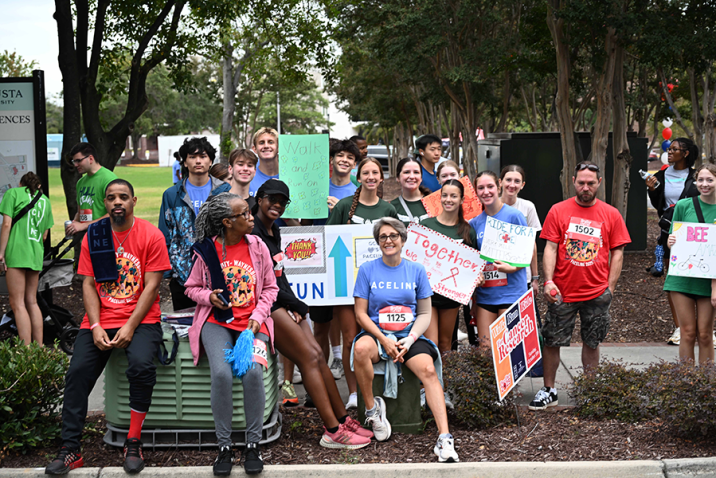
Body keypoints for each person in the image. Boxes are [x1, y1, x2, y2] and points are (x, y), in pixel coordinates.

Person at [45, 179, 171, 475]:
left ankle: (133, 440)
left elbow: (152, 288)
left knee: (141, 366)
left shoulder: (151, 235)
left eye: (123, 197)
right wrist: (97, 325)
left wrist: (129, 326)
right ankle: (70, 449)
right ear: (105, 203)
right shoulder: (95, 235)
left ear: (133, 201)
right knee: (76, 373)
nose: (117, 202)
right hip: (100, 320)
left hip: (141, 320)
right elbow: (88, 284)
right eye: (111, 197)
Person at [251, 180, 372, 446]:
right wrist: (293, 304)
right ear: (259, 199)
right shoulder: (253, 234)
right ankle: (332, 430)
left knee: (318, 354)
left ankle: (342, 419)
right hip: (265, 306)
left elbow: (281, 277)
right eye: (272, 199)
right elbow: (261, 283)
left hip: (282, 302)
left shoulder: (274, 231)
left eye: (283, 202)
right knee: (308, 357)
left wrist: (295, 304)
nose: (278, 205)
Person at [184, 192, 278, 476]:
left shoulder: (258, 246)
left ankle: (252, 443)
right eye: (245, 214)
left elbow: (271, 289)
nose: (251, 218)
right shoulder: (208, 250)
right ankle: (224, 446)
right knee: (222, 375)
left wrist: (258, 318)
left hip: (252, 326)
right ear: (227, 222)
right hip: (218, 322)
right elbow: (191, 287)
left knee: (251, 374)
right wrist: (208, 296)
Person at [352, 217, 459, 462]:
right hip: (377, 334)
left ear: (402, 239)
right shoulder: (367, 269)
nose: (388, 240)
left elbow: (424, 313)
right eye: (383, 237)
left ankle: (444, 438)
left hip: (408, 335)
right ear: (378, 242)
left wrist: (410, 340)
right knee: (360, 349)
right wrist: (384, 340)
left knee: (428, 370)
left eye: (393, 236)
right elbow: (360, 313)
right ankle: (373, 411)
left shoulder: (416, 270)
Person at [529, 161, 631, 411]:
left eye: (591, 183)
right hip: (562, 292)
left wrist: (610, 288)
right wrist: (549, 281)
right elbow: (550, 247)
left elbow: (618, 252)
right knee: (552, 340)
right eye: (581, 182)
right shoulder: (558, 210)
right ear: (573, 181)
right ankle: (549, 389)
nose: (585, 187)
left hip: (597, 292)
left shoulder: (611, 214)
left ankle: (590, 390)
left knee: (592, 341)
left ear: (599, 183)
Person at [324, 157, 398, 409]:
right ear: (359, 176)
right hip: (347, 285)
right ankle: (353, 392)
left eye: (375, 172)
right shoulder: (345, 206)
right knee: (349, 340)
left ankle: (379, 388)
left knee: (378, 337)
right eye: (365, 172)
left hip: (379, 286)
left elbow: (396, 246)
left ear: (380, 177)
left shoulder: (387, 209)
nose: (370, 177)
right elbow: (329, 241)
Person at [421, 179, 479, 409]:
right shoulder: (426, 225)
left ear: (462, 200)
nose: (448, 200)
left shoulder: (467, 230)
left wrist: (477, 276)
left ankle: (443, 390)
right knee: (430, 343)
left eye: (454, 196)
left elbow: (473, 264)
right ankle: (426, 390)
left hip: (451, 297)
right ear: (439, 197)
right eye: (445, 195)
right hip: (426, 296)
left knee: (446, 344)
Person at [158, 137, 230, 311]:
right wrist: (168, 273)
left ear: (211, 160)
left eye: (203, 156)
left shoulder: (224, 191)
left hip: (219, 271)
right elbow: (164, 233)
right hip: (183, 275)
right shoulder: (172, 194)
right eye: (192, 156)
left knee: (216, 325)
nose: (198, 161)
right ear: (184, 161)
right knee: (185, 329)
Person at [311, 139, 360, 383]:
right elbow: (301, 223)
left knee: (348, 324)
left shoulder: (360, 190)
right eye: (340, 155)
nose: (344, 160)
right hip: (317, 260)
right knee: (319, 324)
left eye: (350, 158)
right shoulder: (315, 187)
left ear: (355, 163)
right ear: (332, 159)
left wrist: (342, 211)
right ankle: (320, 376)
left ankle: (347, 372)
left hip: (347, 263)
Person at [646, 138, 699, 346]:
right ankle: (680, 328)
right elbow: (659, 205)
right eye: (669, 149)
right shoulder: (661, 176)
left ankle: (704, 328)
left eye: (674, 150)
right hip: (671, 233)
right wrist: (651, 190)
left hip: (696, 233)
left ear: (685, 153)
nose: (669, 152)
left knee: (699, 278)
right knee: (674, 280)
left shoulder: (696, 177)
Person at [469, 171, 528, 348]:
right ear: (476, 191)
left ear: (499, 186)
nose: (486, 192)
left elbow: (526, 252)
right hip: (486, 295)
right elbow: (473, 260)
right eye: (481, 188)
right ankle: (489, 378)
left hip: (511, 292)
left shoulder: (514, 216)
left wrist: (513, 268)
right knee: (485, 348)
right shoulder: (475, 223)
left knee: (507, 349)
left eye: (490, 186)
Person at [664, 164, 716, 365]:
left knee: (705, 334)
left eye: (710, 180)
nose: (704, 184)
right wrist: (671, 242)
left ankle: (706, 386)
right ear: (695, 181)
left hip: (708, 281)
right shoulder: (684, 205)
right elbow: (674, 238)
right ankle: (686, 387)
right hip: (682, 279)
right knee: (687, 332)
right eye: (701, 180)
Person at [0, 172, 54, 345]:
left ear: (21, 183)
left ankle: (26, 352)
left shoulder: (13, 193)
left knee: (17, 303)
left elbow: (7, 224)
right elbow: (45, 235)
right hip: (35, 254)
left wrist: (1, 253)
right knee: (31, 301)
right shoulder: (45, 201)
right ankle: (39, 348)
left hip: (16, 252)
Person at [500, 165, 542, 292]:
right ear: (500, 182)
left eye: (517, 181)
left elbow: (531, 244)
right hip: (496, 272)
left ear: (522, 185)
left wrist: (535, 277)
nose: (512, 185)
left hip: (522, 273)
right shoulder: (490, 206)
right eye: (508, 180)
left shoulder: (528, 207)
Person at [65, 142, 118, 236]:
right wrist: (74, 224)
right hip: (86, 239)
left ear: (90, 158)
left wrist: (85, 225)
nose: (76, 165)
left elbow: (115, 213)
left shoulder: (109, 179)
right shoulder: (80, 182)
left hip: (105, 239)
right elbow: (80, 211)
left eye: (78, 160)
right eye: (74, 162)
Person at [390, 157, 431, 226]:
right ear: (398, 177)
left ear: (421, 178)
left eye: (416, 172)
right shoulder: (391, 207)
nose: (412, 176)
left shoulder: (434, 202)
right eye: (407, 172)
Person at [249, 127, 280, 197]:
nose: (266, 146)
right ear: (255, 149)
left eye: (271, 142)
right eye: (261, 143)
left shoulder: (290, 174)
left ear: (278, 147)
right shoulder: (248, 174)